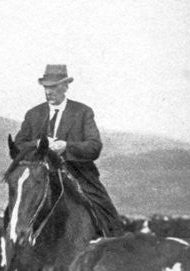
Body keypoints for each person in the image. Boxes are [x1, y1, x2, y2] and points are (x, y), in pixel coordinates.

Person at [13, 64, 122, 236]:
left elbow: (94, 146)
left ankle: (113, 246)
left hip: (78, 174)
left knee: (108, 214)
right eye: (46, 87)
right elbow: (19, 144)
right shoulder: (33, 114)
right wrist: (38, 143)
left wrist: (66, 146)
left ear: (65, 86)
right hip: (39, 174)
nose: (49, 92)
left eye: (54, 87)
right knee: (15, 211)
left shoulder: (82, 112)